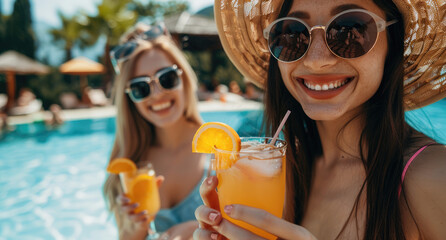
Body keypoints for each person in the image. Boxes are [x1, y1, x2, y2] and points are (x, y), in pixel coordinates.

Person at [194, 0, 446, 239]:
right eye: (292, 34)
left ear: (394, 41)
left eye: (350, 29)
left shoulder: (435, 177)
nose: (317, 60)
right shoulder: (277, 171)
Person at [103, 22, 209, 240]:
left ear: (184, 79)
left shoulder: (220, 148)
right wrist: (133, 230)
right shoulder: (128, 166)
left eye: (166, 78)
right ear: (129, 98)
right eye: (141, 87)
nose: (157, 94)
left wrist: (190, 230)